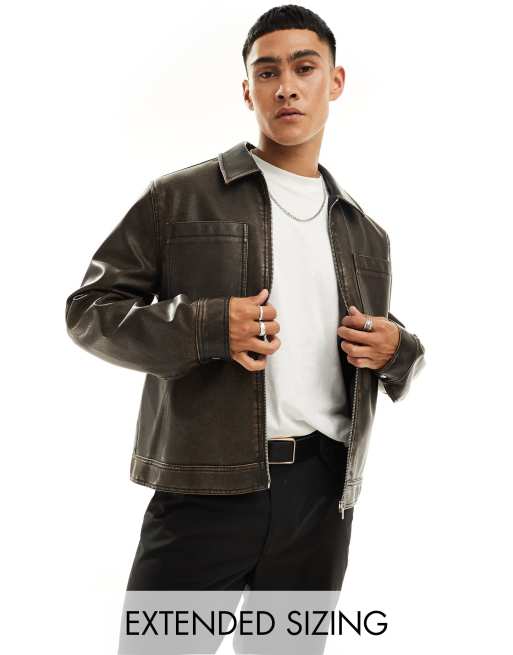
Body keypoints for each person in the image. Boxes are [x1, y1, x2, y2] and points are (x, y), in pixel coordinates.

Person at [65, 3, 425, 601]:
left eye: (304, 68)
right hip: (203, 491)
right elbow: (89, 310)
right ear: (247, 89)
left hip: (324, 501)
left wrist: (398, 350)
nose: (286, 87)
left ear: (335, 81)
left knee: (287, 646)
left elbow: (375, 341)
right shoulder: (179, 198)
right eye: (267, 72)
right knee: (159, 644)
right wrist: (206, 327)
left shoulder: (365, 233)